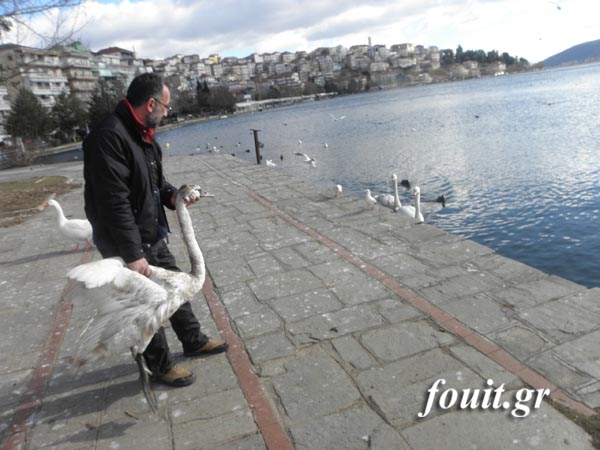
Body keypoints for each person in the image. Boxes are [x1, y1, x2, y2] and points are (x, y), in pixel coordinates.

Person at [82, 73, 228, 387]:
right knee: (148, 304)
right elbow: (113, 203)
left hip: (152, 232)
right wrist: (132, 255)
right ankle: (159, 366)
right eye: (165, 106)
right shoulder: (108, 137)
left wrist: (178, 197)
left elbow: (156, 186)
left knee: (179, 288)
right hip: (126, 241)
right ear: (151, 103)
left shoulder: (144, 136)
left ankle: (192, 340)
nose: (166, 113)